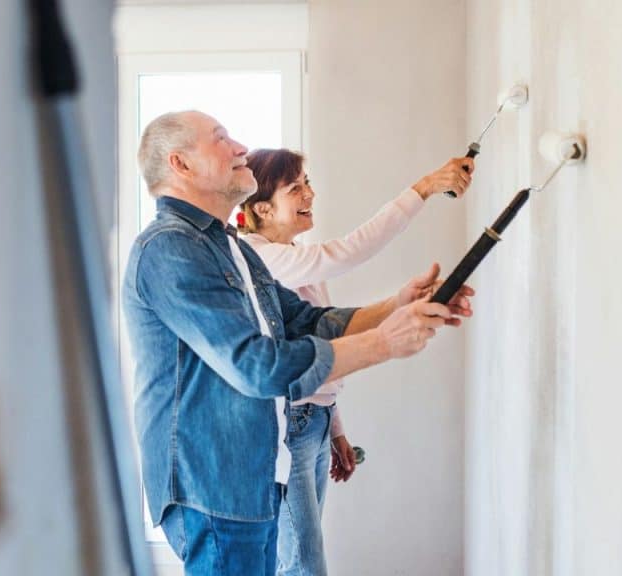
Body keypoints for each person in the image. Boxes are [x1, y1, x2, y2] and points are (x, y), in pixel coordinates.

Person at [121, 110, 472, 576]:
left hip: (257, 477)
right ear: (180, 165)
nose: (241, 147)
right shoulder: (169, 248)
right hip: (214, 488)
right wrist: (384, 342)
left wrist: (397, 305)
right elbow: (256, 366)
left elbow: (304, 322)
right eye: (221, 138)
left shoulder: (234, 248)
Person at [237, 148, 474, 575]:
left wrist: (336, 427)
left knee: (300, 563)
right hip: (290, 427)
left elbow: (324, 340)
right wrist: (423, 189)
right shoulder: (262, 257)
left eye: (308, 183)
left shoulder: (294, 257)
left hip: (314, 420)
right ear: (262, 209)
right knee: (303, 567)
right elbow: (348, 252)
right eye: (296, 188)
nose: (310, 193)